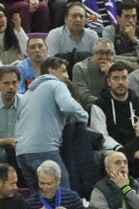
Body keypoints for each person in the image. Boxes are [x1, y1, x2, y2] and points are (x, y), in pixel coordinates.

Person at [16, 57, 90, 190]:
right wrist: (84, 116)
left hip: (21, 153)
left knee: (39, 200)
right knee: (63, 192)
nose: (67, 76)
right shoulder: (56, 84)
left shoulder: (27, 93)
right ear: (51, 71)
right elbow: (68, 106)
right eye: (63, 71)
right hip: (43, 149)